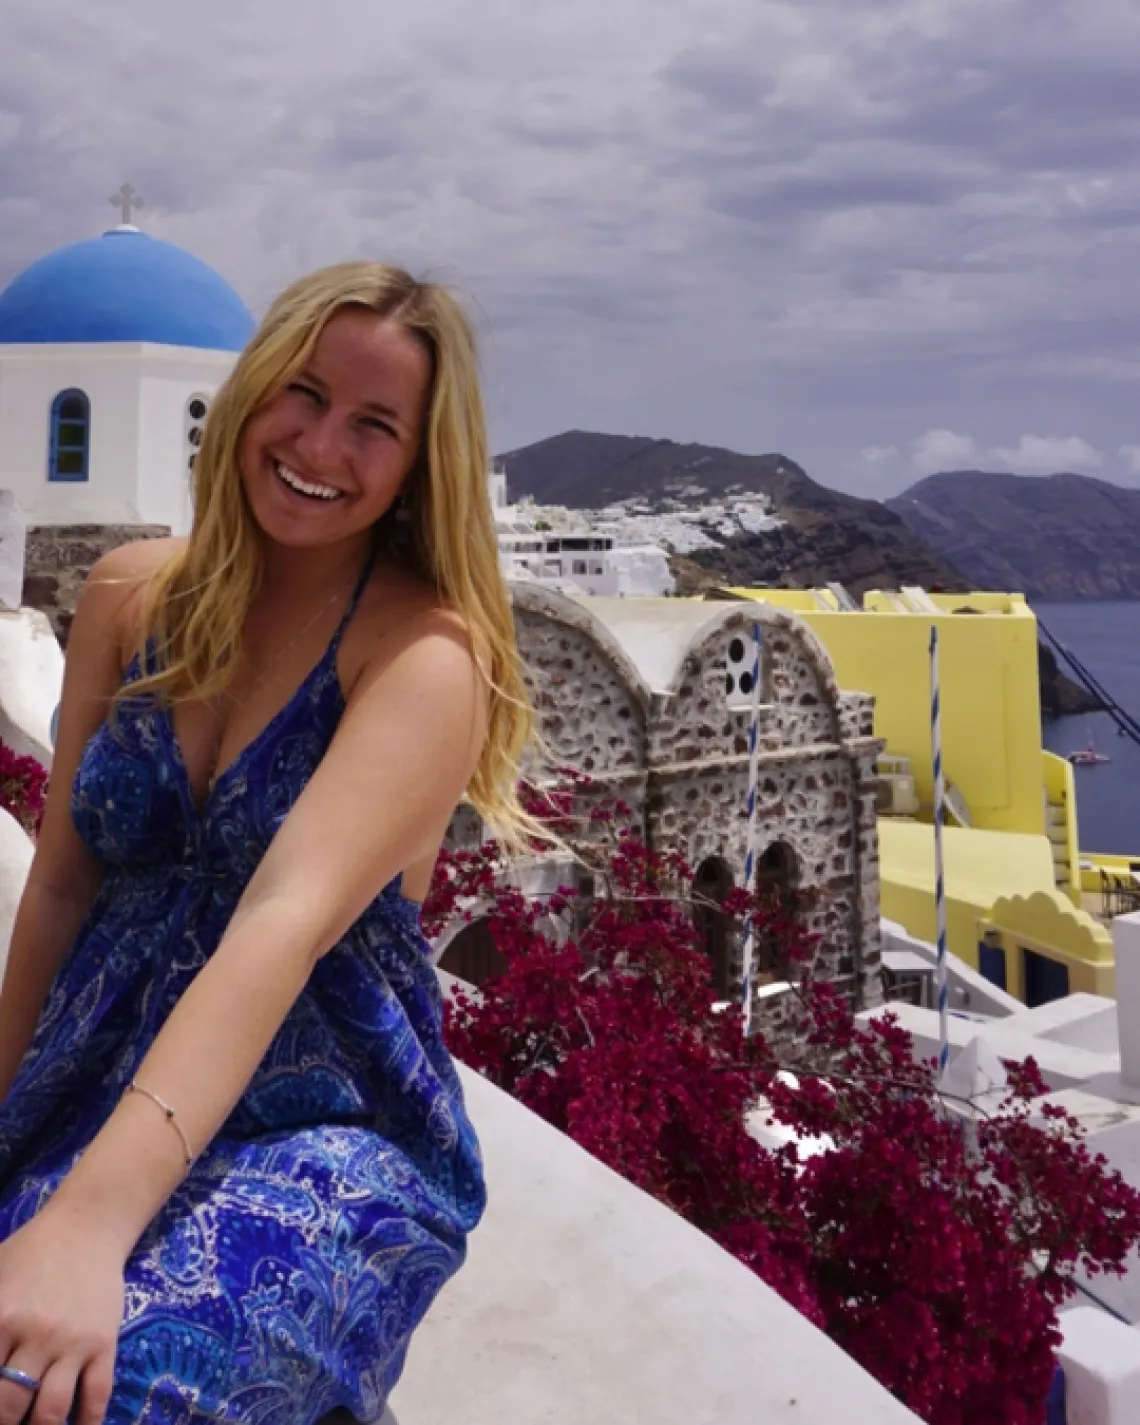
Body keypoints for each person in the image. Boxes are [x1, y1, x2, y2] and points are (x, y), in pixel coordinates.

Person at [0, 262, 535, 1425]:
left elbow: (279, 928)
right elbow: (58, 889)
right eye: (302, 393)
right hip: (97, 1071)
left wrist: (90, 1226)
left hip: (323, 1110)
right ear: (247, 395)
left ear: (412, 468)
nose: (322, 444)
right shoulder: (128, 599)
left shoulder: (421, 658)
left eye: (374, 425)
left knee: (118, 1387)